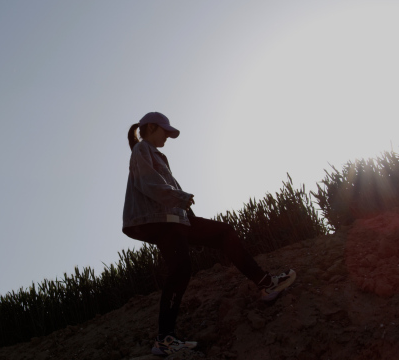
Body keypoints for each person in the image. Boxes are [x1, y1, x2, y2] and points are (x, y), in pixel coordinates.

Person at [122, 112, 296, 356]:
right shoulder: (142, 149)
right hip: (159, 221)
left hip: (174, 219)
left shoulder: (156, 153)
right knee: (181, 268)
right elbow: (148, 183)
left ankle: (266, 284)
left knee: (223, 233)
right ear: (150, 127)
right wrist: (181, 198)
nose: (168, 137)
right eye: (165, 132)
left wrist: (190, 219)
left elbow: (165, 190)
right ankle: (165, 339)